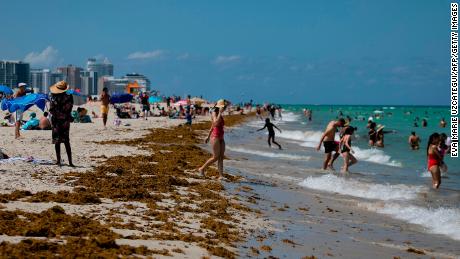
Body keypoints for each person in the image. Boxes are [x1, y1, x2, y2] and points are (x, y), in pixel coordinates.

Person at [198, 99, 227, 179]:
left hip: (221, 137)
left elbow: (212, 126)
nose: (225, 108)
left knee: (221, 157)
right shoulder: (214, 113)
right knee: (215, 157)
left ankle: (221, 175)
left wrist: (207, 136)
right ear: (220, 107)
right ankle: (202, 169)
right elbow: (215, 123)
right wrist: (220, 113)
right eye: (224, 107)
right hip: (215, 137)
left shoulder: (219, 114)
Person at [49, 81, 74, 167]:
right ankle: (70, 162)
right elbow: (70, 108)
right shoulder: (69, 97)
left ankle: (58, 161)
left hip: (56, 122)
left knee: (57, 141)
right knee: (66, 141)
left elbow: (51, 110)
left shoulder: (54, 97)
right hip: (65, 121)